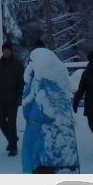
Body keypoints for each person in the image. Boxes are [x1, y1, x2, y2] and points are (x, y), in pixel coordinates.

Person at [22, 40, 79, 174]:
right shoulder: (60, 72)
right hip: (67, 143)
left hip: (41, 140)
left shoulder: (35, 73)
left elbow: (27, 105)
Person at [0, 40, 24, 155]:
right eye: (4, 50)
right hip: (0, 98)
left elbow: (21, 82)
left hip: (12, 99)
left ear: (11, 51)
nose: (5, 52)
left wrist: (19, 97)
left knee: (11, 122)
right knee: (0, 121)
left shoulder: (18, 64)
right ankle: (12, 138)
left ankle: (13, 148)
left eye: (7, 50)